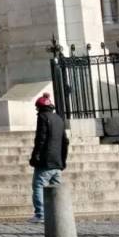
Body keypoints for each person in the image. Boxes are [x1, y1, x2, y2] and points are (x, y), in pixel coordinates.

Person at [28, 93, 69, 223]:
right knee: (55, 188)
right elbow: (65, 141)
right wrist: (63, 160)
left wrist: (35, 156)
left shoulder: (42, 117)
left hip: (46, 160)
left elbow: (41, 139)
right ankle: (58, 213)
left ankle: (40, 214)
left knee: (38, 185)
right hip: (57, 161)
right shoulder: (58, 119)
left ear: (39, 108)